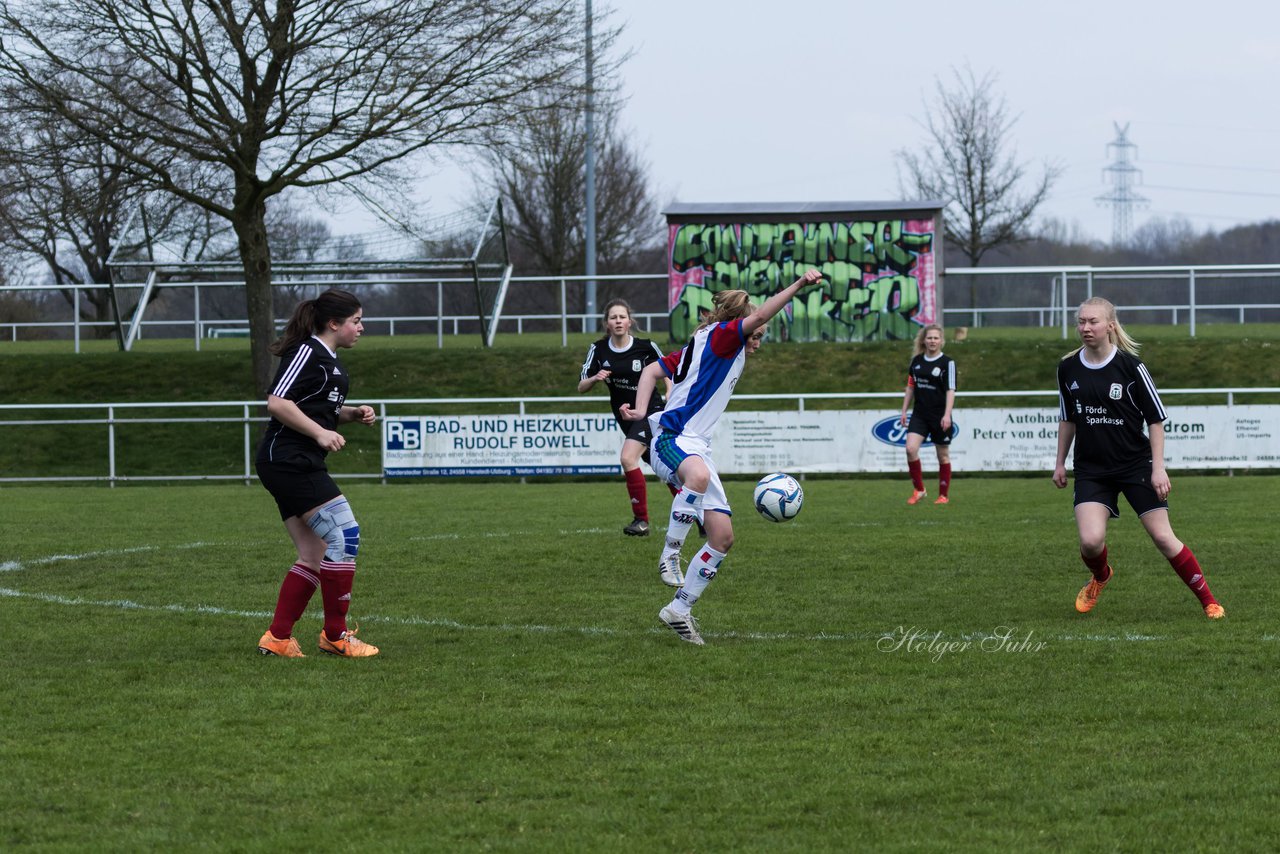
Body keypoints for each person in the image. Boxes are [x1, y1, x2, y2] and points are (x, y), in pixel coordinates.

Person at [621, 267, 825, 645]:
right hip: (674, 436)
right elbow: (761, 315)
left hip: (697, 445)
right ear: (740, 323)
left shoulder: (700, 343)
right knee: (696, 477)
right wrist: (798, 285)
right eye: (756, 334)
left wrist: (637, 409)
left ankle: (679, 610)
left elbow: (651, 371)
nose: (758, 340)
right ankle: (670, 554)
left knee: (722, 537)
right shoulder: (723, 337)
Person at [1053, 296, 1224, 620]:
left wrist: (1158, 469)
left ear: (1110, 326)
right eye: (1081, 322)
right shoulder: (1068, 368)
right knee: (1090, 541)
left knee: (1162, 536)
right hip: (1092, 469)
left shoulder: (1131, 367)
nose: (1086, 328)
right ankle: (1101, 576)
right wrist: (1060, 462)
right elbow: (1068, 417)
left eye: (1093, 321)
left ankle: (1209, 601)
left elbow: (1155, 420)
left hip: (1135, 464)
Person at [254, 288, 382, 657]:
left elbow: (314, 407)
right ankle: (336, 635)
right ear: (333, 323)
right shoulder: (307, 351)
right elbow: (278, 402)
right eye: (356, 321)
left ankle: (277, 638)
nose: (361, 328)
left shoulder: (332, 362)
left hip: (296, 460)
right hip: (288, 459)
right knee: (346, 535)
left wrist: (351, 414)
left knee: (315, 551)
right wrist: (320, 433)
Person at [578, 298, 673, 536]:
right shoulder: (598, 350)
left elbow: (668, 370)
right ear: (606, 324)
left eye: (622, 317)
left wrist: (670, 390)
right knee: (664, 467)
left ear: (629, 321)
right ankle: (699, 514)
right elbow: (581, 386)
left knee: (628, 458)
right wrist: (594, 378)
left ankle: (641, 521)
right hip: (625, 416)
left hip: (650, 411)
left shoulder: (645, 347)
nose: (618, 321)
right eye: (613, 317)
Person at [899, 323, 956, 505]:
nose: (932, 341)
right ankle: (919, 490)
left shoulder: (947, 363)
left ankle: (943, 495)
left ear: (941, 341)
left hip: (940, 415)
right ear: (924, 340)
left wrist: (947, 415)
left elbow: (950, 390)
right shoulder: (916, 362)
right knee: (910, 449)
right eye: (929, 337)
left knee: (942, 455)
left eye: (936, 338)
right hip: (920, 414)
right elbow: (910, 387)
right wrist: (903, 411)